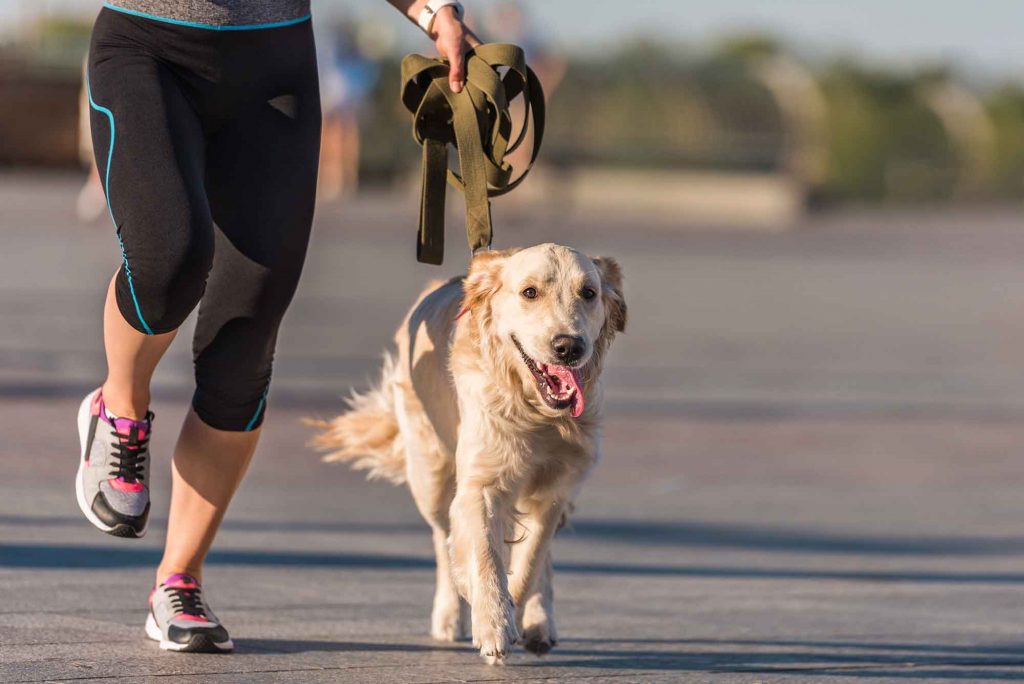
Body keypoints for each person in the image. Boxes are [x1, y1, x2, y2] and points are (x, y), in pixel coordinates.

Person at [75, 0, 477, 654]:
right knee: (170, 261)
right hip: (147, 50)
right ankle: (121, 402)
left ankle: (178, 580)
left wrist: (436, 14)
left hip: (273, 71)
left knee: (248, 330)